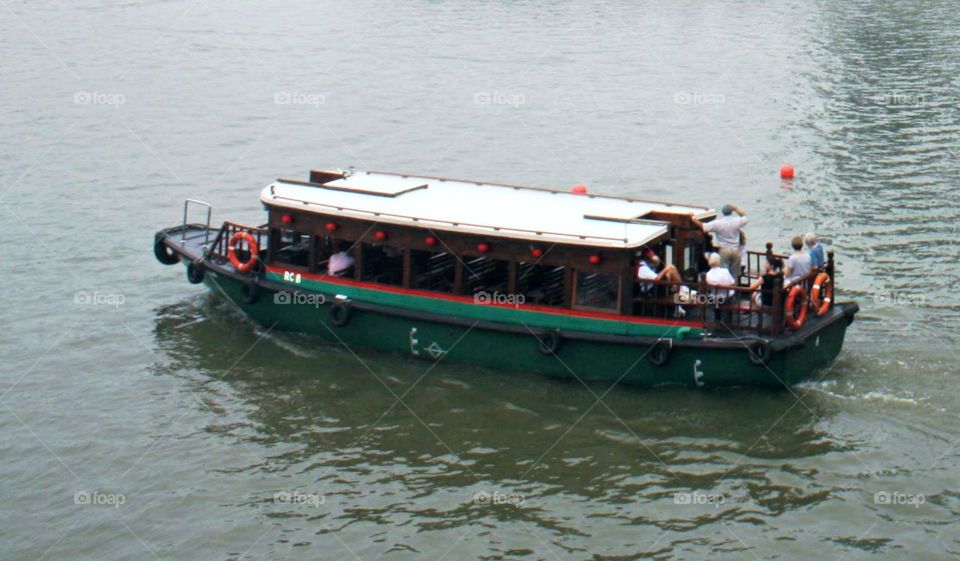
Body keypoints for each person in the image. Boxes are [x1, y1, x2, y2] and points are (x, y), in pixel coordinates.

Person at [690, 204, 748, 278]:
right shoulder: (737, 221)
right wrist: (736, 208)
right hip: (736, 249)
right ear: (731, 212)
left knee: (724, 272)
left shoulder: (718, 223)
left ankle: (726, 287)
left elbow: (705, 227)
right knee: (735, 274)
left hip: (724, 249)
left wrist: (694, 219)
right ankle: (733, 288)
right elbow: (745, 217)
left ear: (723, 212)